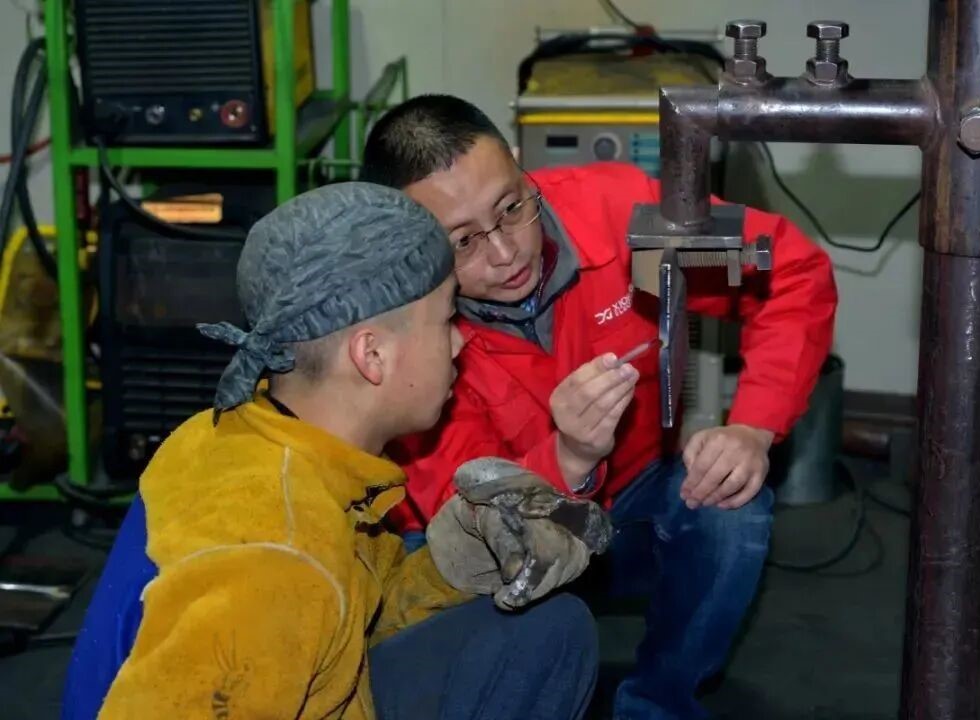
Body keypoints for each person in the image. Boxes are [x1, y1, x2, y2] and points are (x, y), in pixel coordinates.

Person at [362, 94, 838, 720]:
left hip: (633, 501)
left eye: (512, 207)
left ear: (521, 165)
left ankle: (658, 705)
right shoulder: (401, 326)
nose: (505, 254)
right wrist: (569, 457)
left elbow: (789, 273)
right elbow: (461, 509)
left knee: (731, 511)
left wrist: (753, 426)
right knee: (440, 596)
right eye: (464, 242)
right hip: (498, 535)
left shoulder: (618, 216)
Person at [62, 183, 599, 720]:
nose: (459, 341)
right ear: (371, 355)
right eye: (445, 320)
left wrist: (457, 560)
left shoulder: (261, 437)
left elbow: (350, 618)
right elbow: (299, 599)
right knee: (550, 637)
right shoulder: (275, 561)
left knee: (548, 633)